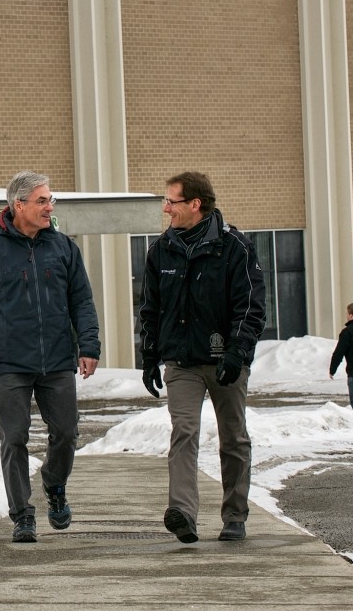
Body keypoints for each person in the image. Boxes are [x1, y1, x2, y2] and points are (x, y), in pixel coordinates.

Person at [0, 170, 100, 543]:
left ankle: (54, 483)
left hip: (58, 360)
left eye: (50, 200)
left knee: (66, 433)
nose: (49, 207)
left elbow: (82, 301)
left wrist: (89, 346)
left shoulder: (65, 248)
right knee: (14, 438)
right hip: (11, 363)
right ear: (18, 205)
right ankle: (22, 514)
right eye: (42, 201)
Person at [138, 171, 266, 543]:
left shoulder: (235, 247)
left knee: (233, 438)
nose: (166, 209)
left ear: (195, 204)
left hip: (226, 360)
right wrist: (149, 356)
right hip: (182, 362)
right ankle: (183, 514)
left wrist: (236, 352)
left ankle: (235, 515)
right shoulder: (161, 250)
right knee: (184, 432)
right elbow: (150, 309)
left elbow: (251, 307)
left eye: (171, 201)